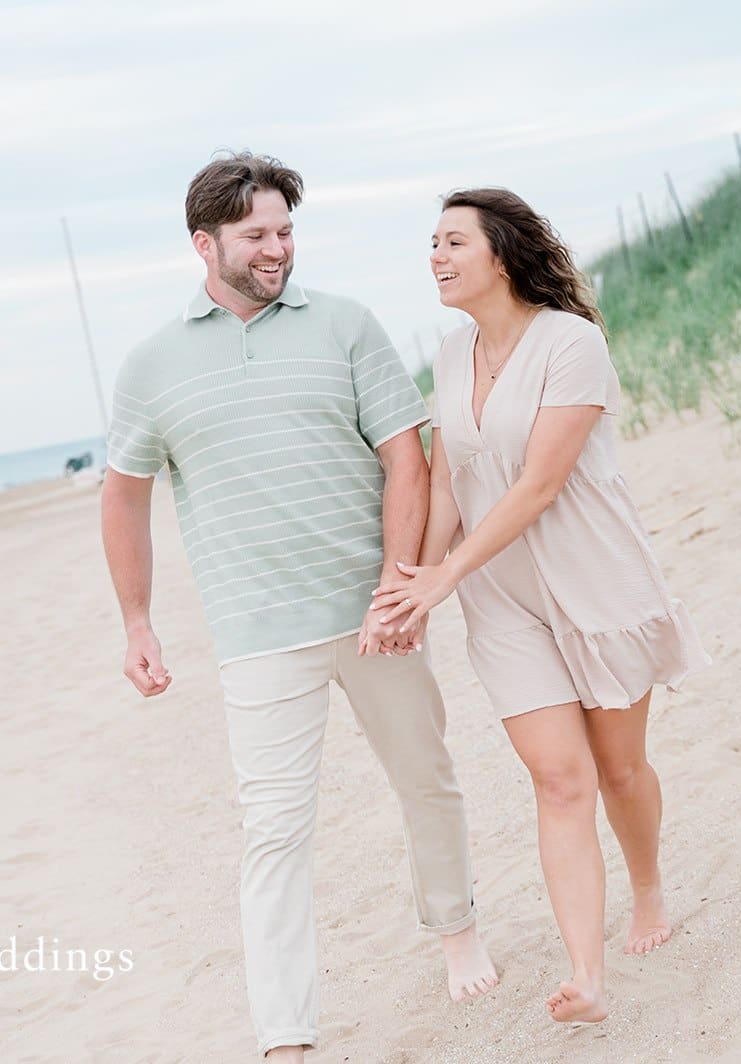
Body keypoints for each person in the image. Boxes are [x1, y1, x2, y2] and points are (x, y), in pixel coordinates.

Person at [99, 152, 497, 1061]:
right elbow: (122, 495)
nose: (278, 249)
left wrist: (401, 585)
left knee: (426, 782)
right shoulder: (154, 365)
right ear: (206, 244)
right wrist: (137, 621)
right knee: (273, 832)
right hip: (256, 637)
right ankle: (286, 1034)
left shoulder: (347, 326)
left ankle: (457, 932)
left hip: (374, 614)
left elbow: (409, 457)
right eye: (257, 236)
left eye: (285, 231)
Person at [370, 187, 713, 1025]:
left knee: (620, 768)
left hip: (594, 581)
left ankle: (648, 888)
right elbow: (448, 479)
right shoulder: (451, 356)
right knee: (561, 781)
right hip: (504, 599)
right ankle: (587, 975)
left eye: (454, 242)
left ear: (502, 254)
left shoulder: (574, 344)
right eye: (433, 244)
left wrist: (443, 577)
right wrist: (413, 579)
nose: (437, 258)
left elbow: (540, 485)